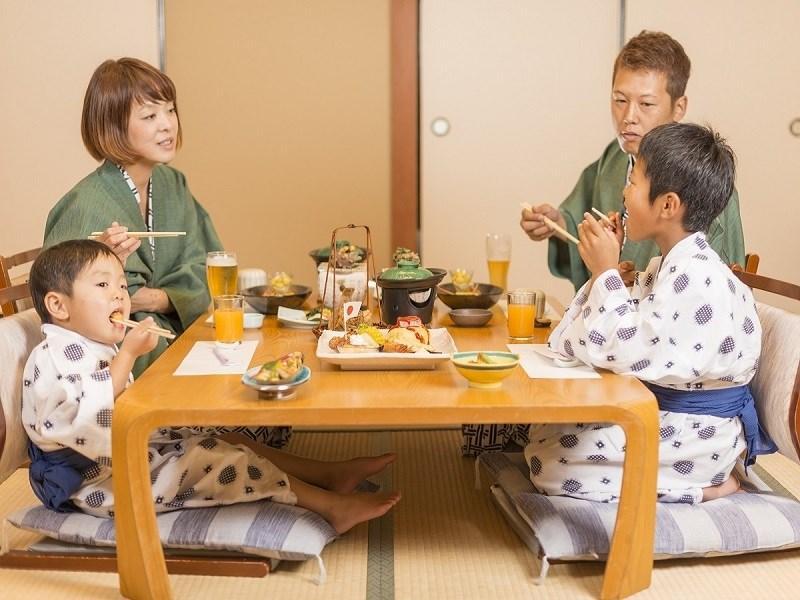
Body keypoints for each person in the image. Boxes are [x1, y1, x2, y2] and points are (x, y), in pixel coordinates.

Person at [22, 239, 400, 532]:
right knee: (223, 460)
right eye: (103, 284)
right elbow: (89, 419)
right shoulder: (57, 354)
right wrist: (127, 357)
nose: (119, 295)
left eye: (122, 285)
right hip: (91, 483)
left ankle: (327, 475)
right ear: (58, 305)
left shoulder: (84, 344)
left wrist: (123, 357)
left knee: (236, 439)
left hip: (114, 455)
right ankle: (332, 508)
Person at [43, 58, 291, 449]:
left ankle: (294, 472)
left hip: (173, 328)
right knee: (240, 390)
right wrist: (109, 265)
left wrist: (161, 298)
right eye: (149, 115)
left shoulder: (173, 184)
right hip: (123, 353)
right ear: (112, 127)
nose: (167, 124)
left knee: (266, 369)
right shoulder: (84, 206)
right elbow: (66, 303)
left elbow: (206, 261)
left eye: (170, 110)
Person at [524, 123, 775, 504]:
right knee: (543, 430)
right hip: (679, 422)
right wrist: (609, 283)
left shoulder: (695, 275)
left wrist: (605, 275)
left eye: (634, 182)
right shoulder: (672, 265)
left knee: (551, 463)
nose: (624, 192)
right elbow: (621, 338)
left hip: (696, 436)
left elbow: (622, 353)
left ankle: (704, 487)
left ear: (668, 205)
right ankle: (697, 479)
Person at [519, 31, 745, 292]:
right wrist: (555, 224)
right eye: (619, 100)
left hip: (669, 321)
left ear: (679, 107)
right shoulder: (613, 159)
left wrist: (628, 283)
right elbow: (577, 219)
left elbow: (717, 287)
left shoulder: (703, 181)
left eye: (646, 104)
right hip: (613, 317)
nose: (628, 117)